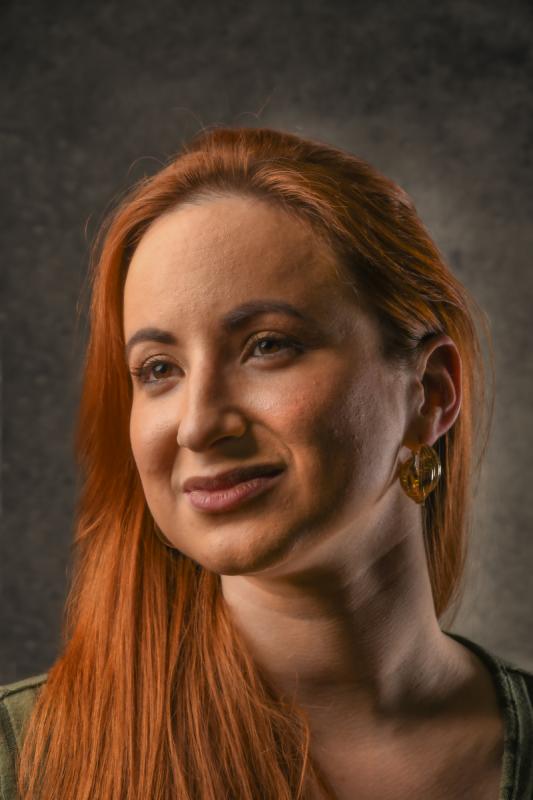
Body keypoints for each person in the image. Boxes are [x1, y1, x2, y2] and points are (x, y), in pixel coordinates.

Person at [1, 126, 532, 800]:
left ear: (429, 393)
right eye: (159, 369)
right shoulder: (23, 763)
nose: (198, 424)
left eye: (267, 346)